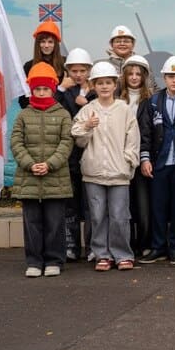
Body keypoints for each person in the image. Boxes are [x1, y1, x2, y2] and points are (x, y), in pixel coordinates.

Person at [72, 61, 140, 272]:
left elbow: (133, 139)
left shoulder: (124, 109)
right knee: (97, 215)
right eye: (100, 83)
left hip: (119, 173)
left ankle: (123, 255)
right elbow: (78, 140)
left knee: (120, 216)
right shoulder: (87, 110)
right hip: (93, 172)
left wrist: (128, 161)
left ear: (115, 85)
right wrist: (87, 126)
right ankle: (102, 254)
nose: (104, 87)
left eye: (108, 82)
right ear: (93, 85)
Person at [11, 62, 73, 278]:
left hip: (56, 178)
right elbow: (16, 143)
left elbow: (67, 142)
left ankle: (54, 260)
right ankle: (34, 261)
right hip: (28, 178)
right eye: (37, 89)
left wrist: (50, 164)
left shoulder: (63, 114)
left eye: (45, 88)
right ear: (31, 90)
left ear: (52, 89)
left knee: (55, 222)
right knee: (32, 223)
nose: (41, 92)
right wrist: (30, 164)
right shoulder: (23, 115)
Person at [138, 55, 175, 265]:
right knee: (158, 207)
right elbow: (145, 133)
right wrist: (145, 159)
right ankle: (158, 247)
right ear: (164, 77)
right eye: (170, 76)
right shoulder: (153, 101)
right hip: (159, 163)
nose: (174, 80)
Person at [59, 47, 96, 261]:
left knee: (91, 205)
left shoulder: (96, 91)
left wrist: (87, 103)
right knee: (70, 204)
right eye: (74, 71)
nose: (79, 74)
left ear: (89, 70)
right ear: (68, 71)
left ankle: (92, 247)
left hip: (92, 154)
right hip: (70, 157)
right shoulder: (65, 92)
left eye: (82, 70)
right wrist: (61, 88)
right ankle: (71, 246)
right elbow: (53, 107)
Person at [119, 54, 153, 257]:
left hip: (141, 158)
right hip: (119, 158)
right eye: (130, 74)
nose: (133, 77)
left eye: (138, 74)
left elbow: (148, 131)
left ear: (144, 77)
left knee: (142, 205)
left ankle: (144, 242)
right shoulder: (117, 98)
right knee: (124, 205)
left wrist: (145, 157)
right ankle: (127, 243)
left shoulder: (150, 100)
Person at [18, 22, 65, 109]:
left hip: (60, 114)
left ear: (56, 44)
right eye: (43, 42)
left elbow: (69, 98)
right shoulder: (28, 66)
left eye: (50, 42)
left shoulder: (65, 64)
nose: (46, 45)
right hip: (35, 114)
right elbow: (23, 101)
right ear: (37, 44)